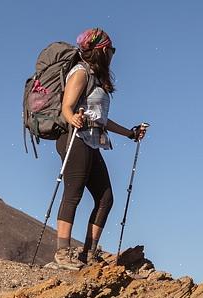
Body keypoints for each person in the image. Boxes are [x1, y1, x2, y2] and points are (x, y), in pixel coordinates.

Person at [53, 27, 147, 270]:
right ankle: (62, 253)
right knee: (73, 193)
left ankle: (89, 253)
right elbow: (67, 106)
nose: (113, 54)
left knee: (106, 198)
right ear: (101, 50)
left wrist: (129, 133)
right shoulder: (81, 73)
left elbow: (101, 119)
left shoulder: (98, 77)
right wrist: (72, 118)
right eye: (111, 49)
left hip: (92, 141)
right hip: (74, 138)